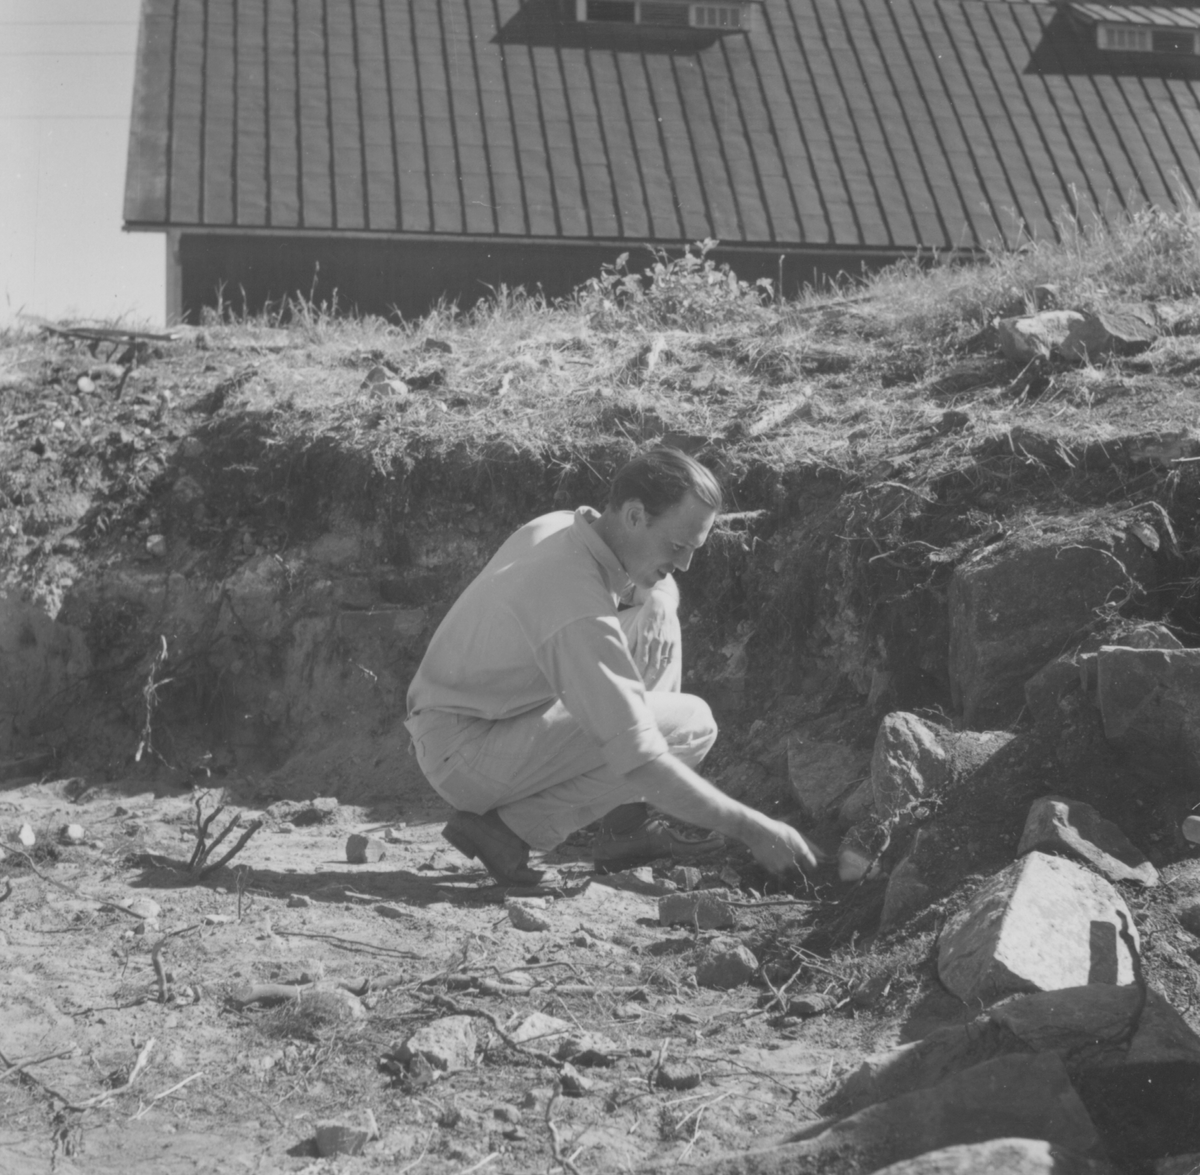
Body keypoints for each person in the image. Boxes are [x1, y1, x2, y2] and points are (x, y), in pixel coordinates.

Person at [404, 447, 822, 886]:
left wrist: (661, 601)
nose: (684, 565)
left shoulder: (567, 527)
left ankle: (626, 829)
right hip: (465, 752)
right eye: (677, 547)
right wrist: (754, 829)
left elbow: (650, 589)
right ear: (635, 516)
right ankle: (508, 832)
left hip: (474, 721)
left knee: (656, 621)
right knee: (692, 726)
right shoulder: (573, 599)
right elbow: (640, 756)